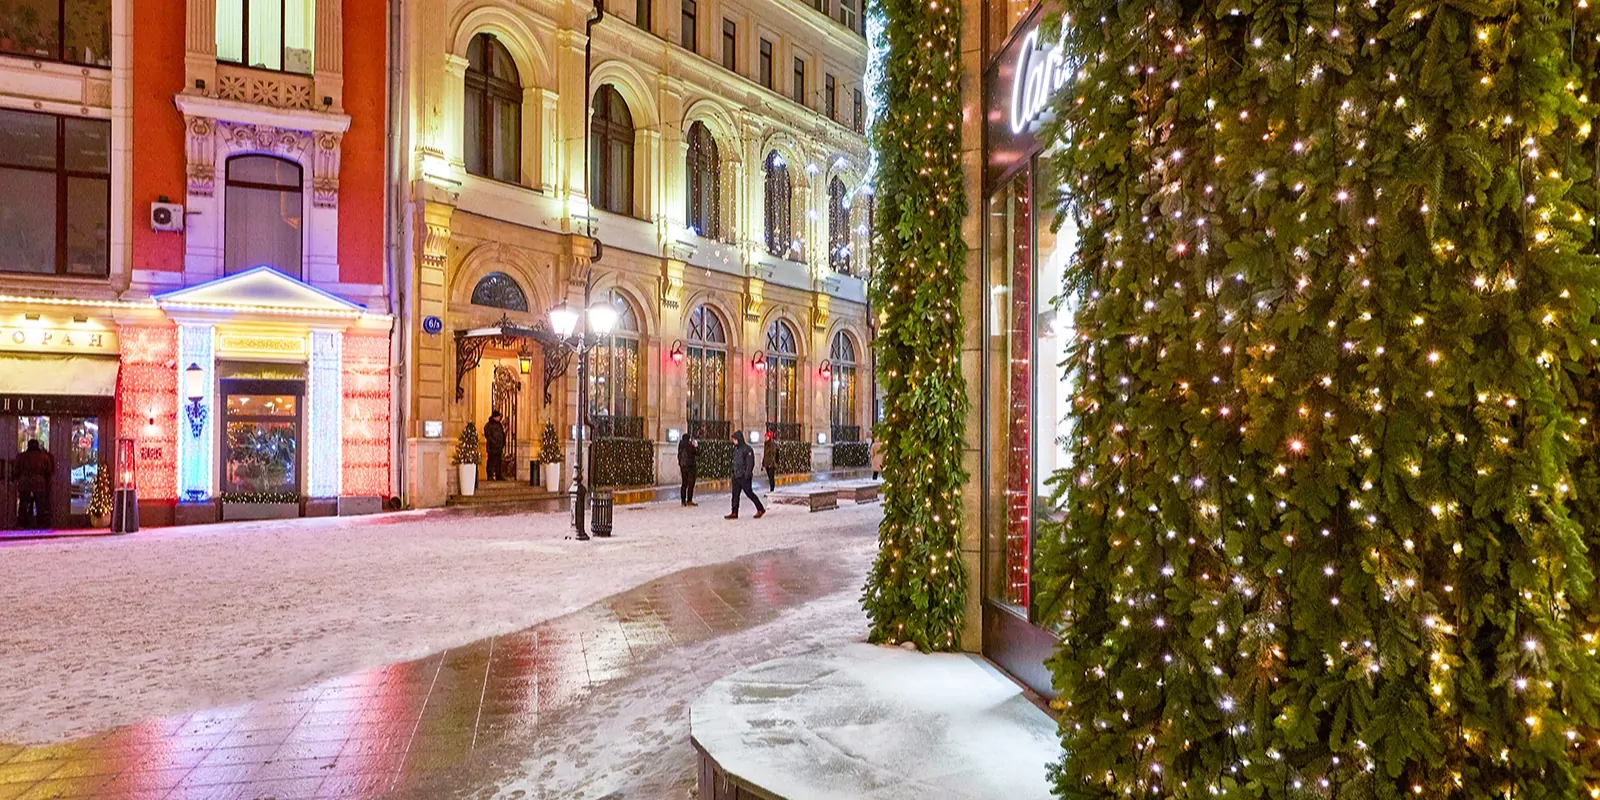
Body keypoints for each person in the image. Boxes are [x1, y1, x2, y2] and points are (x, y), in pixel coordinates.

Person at [15, 439, 54, 530]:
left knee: (24, 504)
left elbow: (16, 470)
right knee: (40, 505)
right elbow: (49, 471)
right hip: (39, 483)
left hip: (25, 482)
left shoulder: (22, 457)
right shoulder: (43, 457)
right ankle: (41, 523)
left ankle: (23, 523)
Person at [726, 431, 765, 520]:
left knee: (749, 493)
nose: (734, 441)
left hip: (743, 476)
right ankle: (734, 512)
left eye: (735, 440)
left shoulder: (747, 449)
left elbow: (750, 463)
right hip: (736, 475)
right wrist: (734, 472)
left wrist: (747, 473)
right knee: (735, 494)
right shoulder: (736, 449)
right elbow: (735, 461)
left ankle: (760, 508)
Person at [483, 411, 507, 481]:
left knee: (498, 461)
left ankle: (498, 475)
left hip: (499, 448)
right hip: (492, 447)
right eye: (498, 416)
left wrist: (503, 443)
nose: (500, 418)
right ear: (495, 417)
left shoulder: (499, 425)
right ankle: (490, 475)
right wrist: (494, 442)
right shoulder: (488, 425)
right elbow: (488, 436)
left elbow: (502, 434)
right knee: (491, 461)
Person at [678, 438, 699, 506]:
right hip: (690, 468)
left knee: (684, 484)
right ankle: (689, 500)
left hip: (683, 468)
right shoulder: (690, 446)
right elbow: (698, 453)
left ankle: (683, 501)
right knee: (691, 484)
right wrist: (695, 446)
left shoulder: (680, 446)